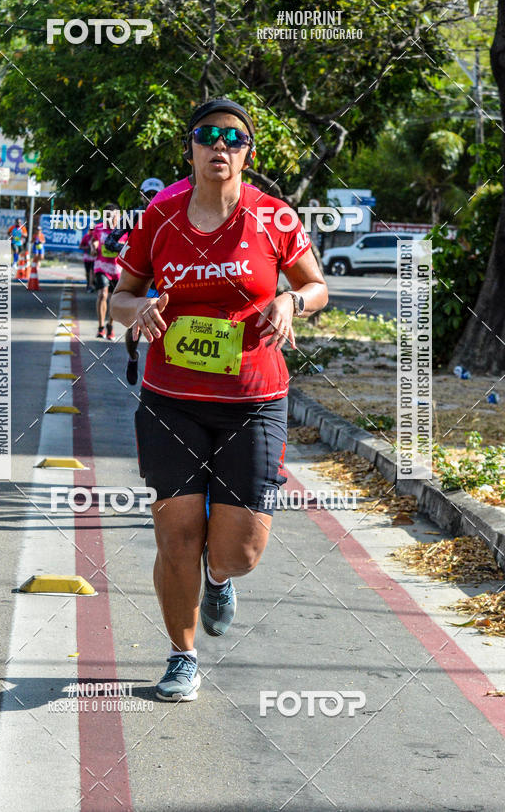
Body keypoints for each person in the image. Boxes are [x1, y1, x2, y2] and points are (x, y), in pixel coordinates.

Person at [111, 97, 328, 701]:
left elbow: (316, 286)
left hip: (254, 399)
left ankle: (219, 577)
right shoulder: (160, 216)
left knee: (241, 551)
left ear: (246, 153)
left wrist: (290, 302)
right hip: (171, 400)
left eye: (232, 139)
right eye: (207, 137)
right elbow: (120, 297)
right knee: (175, 534)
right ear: (190, 149)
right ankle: (182, 656)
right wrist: (140, 311)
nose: (219, 147)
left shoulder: (274, 218)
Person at [93, 204, 127, 339]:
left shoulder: (124, 230)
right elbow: (95, 241)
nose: (110, 218)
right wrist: (93, 246)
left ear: (119, 216)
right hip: (101, 266)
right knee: (102, 294)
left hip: (118, 269)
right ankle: (101, 327)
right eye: (107, 216)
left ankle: (110, 325)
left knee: (114, 299)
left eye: (113, 216)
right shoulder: (98, 228)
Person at [79, 224, 96, 292]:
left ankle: (91, 285)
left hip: (94, 257)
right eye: (90, 230)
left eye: (93, 230)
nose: (92, 231)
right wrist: (86, 247)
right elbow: (80, 246)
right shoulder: (86, 237)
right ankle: (88, 284)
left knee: (92, 271)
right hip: (87, 257)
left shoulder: (96, 237)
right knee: (87, 272)